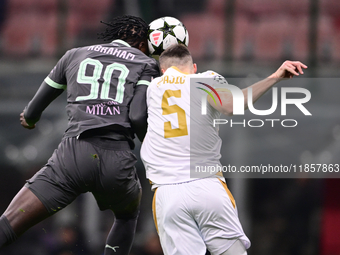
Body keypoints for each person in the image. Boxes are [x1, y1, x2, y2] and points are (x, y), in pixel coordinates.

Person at [0, 15, 159, 255]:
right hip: (117, 160)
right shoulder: (146, 63)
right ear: (141, 44)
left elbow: (32, 111)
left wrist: (29, 120)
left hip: (73, 155)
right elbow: (138, 116)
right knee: (127, 216)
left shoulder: (74, 54)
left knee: (10, 222)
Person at [140, 44, 307, 255]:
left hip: (167, 192)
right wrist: (275, 77)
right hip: (207, 185)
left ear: (163, 72)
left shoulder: (152, 88)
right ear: (194, 68)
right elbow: (231, 106)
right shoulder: (205, 78)